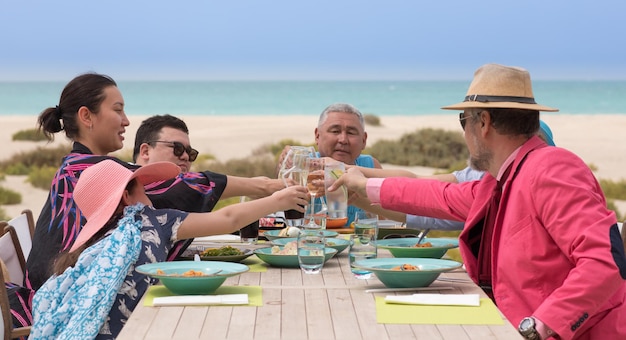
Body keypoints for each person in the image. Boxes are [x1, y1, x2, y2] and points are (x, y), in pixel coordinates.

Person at [329, 64, 626, 339]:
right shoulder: (502, 178)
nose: (463, 133)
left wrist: (539, 326)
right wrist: (365, 187)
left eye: (463, 120)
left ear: (483, 122)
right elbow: (437, 196)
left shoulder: (552, 167)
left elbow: (605, 262)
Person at [30, 160, 308, 339]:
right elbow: (228, 219)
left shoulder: (98, 245)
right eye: (144, 188)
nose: (150, 196)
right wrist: (277, 199)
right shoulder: (150, 220)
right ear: (127, 196)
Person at [351, 120, 557, 232]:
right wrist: (358, 189)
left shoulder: (555, 186)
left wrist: (361, 183)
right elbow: (426, 200)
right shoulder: (484, 181)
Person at [132, 114, 285, 199]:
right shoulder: (130, 187)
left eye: (191, 153)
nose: (185, 156)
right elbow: (229, 217)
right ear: (146, 151)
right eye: (177, 148)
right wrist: (272, 186)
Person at [278, 103, 382, 226]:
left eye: (351, 133)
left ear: (364, 140)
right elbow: (279, 184)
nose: (343, 139)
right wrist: (285, 161)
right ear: (317, 136)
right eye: (335, 131)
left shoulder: (370, 166)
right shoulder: (303, 164)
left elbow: (383, 220)